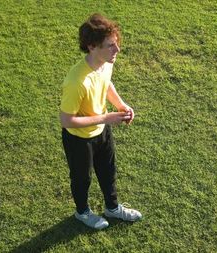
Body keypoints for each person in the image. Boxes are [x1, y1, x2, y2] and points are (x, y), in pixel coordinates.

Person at [59, 13, 142, 230]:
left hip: (102, 132)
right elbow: (66, 120)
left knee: (108, 170)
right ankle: (82, 212)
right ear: (92, 46)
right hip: (79, 139)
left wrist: (121, 105)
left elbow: (106, 84)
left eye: (116, 44)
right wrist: (107, 117)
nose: (117, 50)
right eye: (110, 46)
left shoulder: (105, 64)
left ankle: (112, 208)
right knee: (82, 179)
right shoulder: (77, 81)